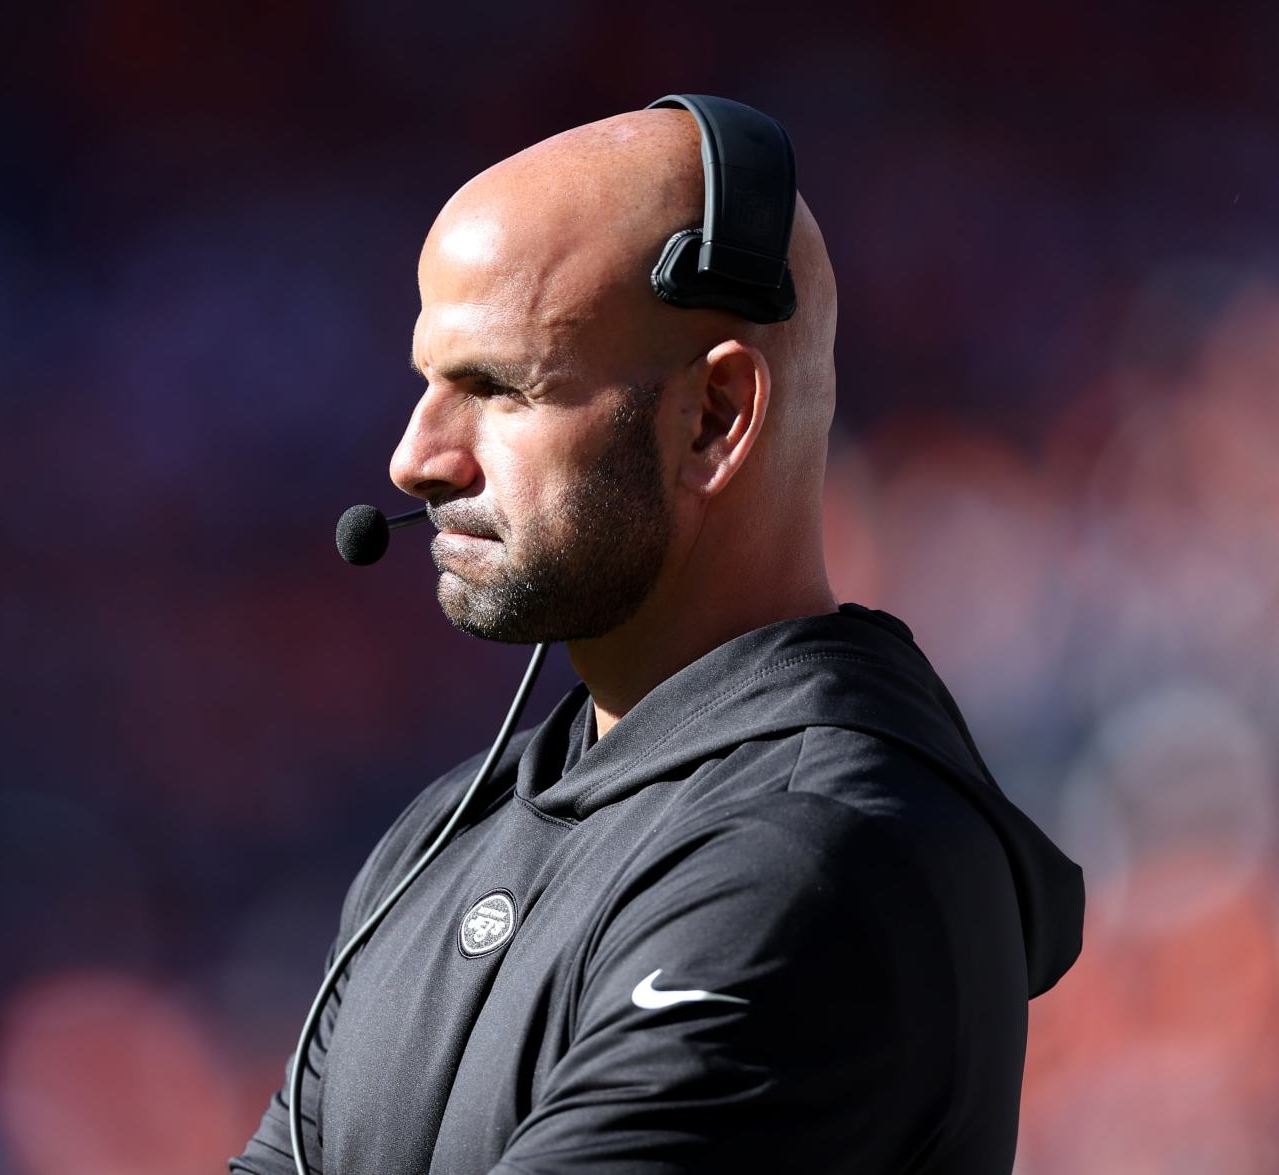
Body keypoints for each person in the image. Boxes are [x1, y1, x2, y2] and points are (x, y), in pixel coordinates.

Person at [230, 99, 1084, 1175]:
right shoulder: (442, 835)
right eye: (426, 385)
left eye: (497, 387)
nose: (415, 457)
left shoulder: (816, 851)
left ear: (715, 416)